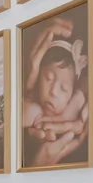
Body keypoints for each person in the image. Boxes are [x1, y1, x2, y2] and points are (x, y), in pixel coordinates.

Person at [21, 16, 88, 167]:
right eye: (49, 78)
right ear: (38, 75)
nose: (54, 92)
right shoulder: (31, 105)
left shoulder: (75, 106)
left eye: (64, 89)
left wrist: (73, 124)